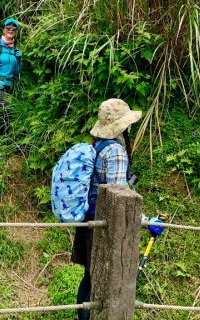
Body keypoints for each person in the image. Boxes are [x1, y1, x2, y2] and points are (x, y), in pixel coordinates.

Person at [71, 98, 163, 320]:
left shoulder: (98, 144)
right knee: (105, 278)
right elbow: (119, 196)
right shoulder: (115, 151)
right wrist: (145, 221)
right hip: (105, 226)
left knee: (90, 277)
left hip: (90, 220)